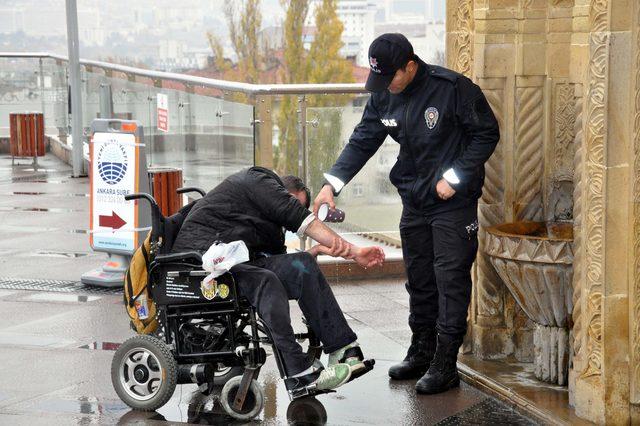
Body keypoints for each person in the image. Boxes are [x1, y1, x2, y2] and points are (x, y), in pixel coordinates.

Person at [313, 33, 499, 395]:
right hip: (414, 200)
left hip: (452, 204)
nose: (385, 87)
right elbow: (363, 140)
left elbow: (486, 134)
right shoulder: (385, 94)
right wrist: (330, 185)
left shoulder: (453, 89)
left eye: (390, 78)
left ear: (410, 66)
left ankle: (446, 363)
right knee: (420, 279)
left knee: (450, 280)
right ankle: (422, 350)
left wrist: (454, 179)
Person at [171, 166, 385, 395]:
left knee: (301, 266)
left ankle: (344, 350)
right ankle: (298, 372)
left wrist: (315, 252)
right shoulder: (256, 180)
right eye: (290, 201)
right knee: (266, 281)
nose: (290, 208)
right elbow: (297, 217)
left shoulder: (271, 227)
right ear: (278, 191)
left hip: (229, 264)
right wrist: (352, 251)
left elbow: (280, 263)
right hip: (197, 267)